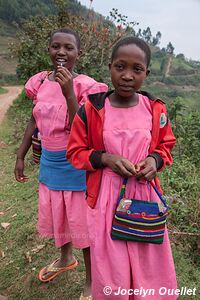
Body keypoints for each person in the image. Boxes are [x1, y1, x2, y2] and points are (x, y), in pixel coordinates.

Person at [67, 36, 177, 299]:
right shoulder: (92, 109)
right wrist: (106, 159)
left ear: (146, 74)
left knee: (146, 255)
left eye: (136, 69)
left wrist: (154, 161)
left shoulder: (154, 109)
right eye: (120, 66)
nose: (127, 75)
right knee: (112, 261)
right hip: (106, 198)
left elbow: (166, 145)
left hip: (144, 199)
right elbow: (75, 152)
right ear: (109, 67)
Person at [14, 27, 107, 299]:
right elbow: (34, 119)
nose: (62, 52)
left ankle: (91, 281)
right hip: (50, 163)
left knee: (83, 225)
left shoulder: (87, 87)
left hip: (76, 166)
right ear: (49, 49)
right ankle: (66, 258)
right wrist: (20, 154)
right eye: (56, 46)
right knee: (60, 216)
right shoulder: (40, 82)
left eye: (69, 48)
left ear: (80, 53)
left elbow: (84, 127)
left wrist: (68, 92)